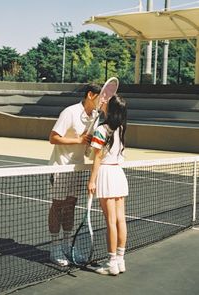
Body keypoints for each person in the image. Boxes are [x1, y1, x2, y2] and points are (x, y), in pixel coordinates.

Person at [48, 83, 102, 266]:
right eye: (99, 97)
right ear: (90, 95)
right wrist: (78, 140)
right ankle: (55, 248)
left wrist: (88, 145)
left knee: (71, 205)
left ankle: (67, 245)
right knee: (58, 206)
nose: (102, 101)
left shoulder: (95, 116)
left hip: (78, 168)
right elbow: (52, 137)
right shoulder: (69, 112)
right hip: (61, 167)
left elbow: (88, 143)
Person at [88, 94, 128, 275]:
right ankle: (120, 260)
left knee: (110, 221)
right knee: (120, 220)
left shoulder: (101, 130)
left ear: (111, 110)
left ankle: (111, 262)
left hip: (106, 174)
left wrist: (92, 181)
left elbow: (97, 157)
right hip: (118, 174)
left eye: (107, 103)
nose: (103, 102)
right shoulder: (120, 128)